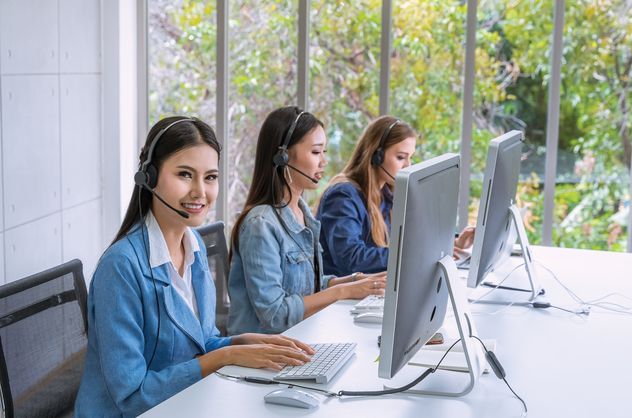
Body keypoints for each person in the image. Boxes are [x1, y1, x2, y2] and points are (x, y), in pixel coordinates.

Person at [74, 117, 314, 417]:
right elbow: (131, 396)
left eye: (210, 177)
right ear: (149, 177)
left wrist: (240, 341)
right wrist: (226, 356)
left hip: (185, 405)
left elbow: (200, 342)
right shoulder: (121, 267)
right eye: (185, 174)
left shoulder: (194, 247)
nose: (200, 191)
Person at [227, 106, 386, 335]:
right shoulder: (260, 225)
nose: (324, 162)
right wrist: (343, 292)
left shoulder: (302, 212)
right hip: (265, 353)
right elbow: (275, 315)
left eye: (324, 152)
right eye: (315, 152)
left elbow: (308, 286)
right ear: (282, 157)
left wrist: (361, 281)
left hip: (302, 338)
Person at [316, 116, 475, 277]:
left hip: (369, 288)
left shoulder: (386, 194)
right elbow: (351, 259)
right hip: (341, 299)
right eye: (400, 157)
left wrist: (448, 245)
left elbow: (412, 239)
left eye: (410, 157)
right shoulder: (343, 196)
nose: (408, 165)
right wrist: (414, 255)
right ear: (376, 156)